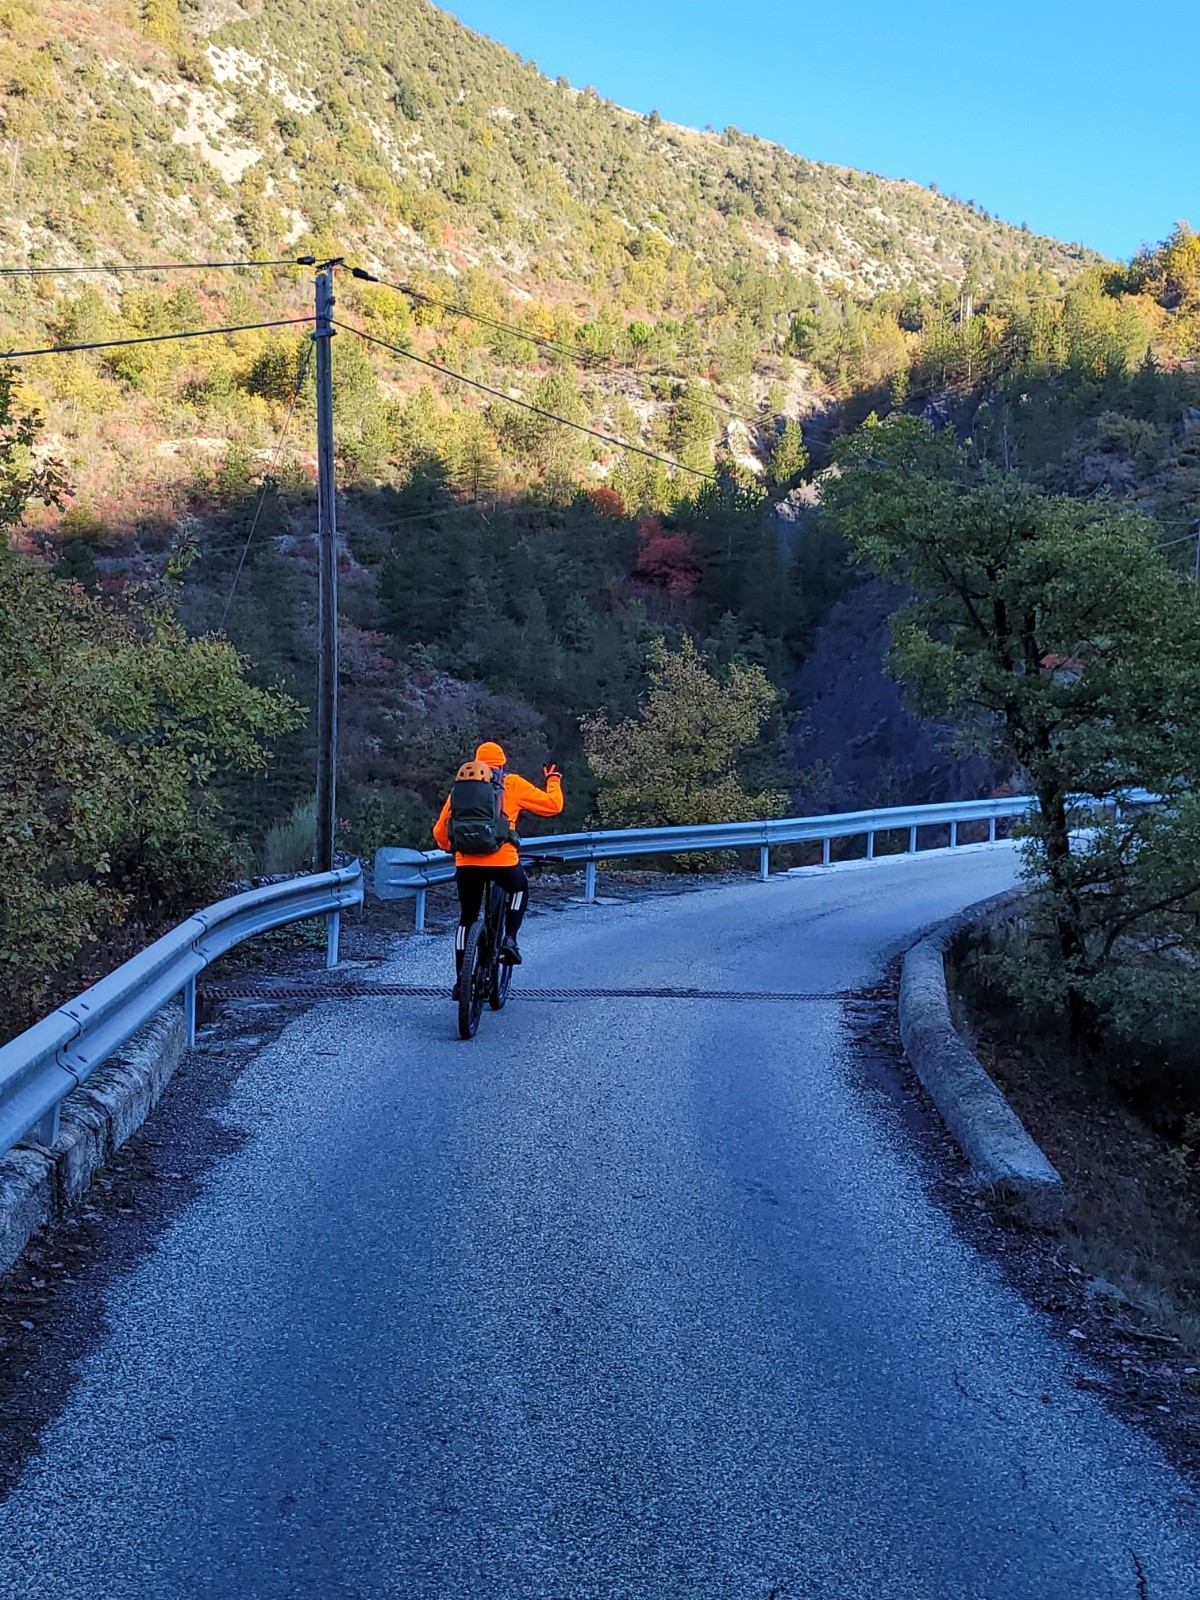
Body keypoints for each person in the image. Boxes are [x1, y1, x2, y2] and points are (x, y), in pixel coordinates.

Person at [433, 742, 564, 994]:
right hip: (502, 862)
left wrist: (452, 847)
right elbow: (553, 806)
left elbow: (440, 831)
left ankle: (462, 980)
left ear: (477, 763)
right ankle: (510, 940)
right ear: (502, 764)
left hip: (467, 863)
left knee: (466, 920)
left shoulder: (462, 789)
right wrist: (554, 780)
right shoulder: (512, 783)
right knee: (518, 889)